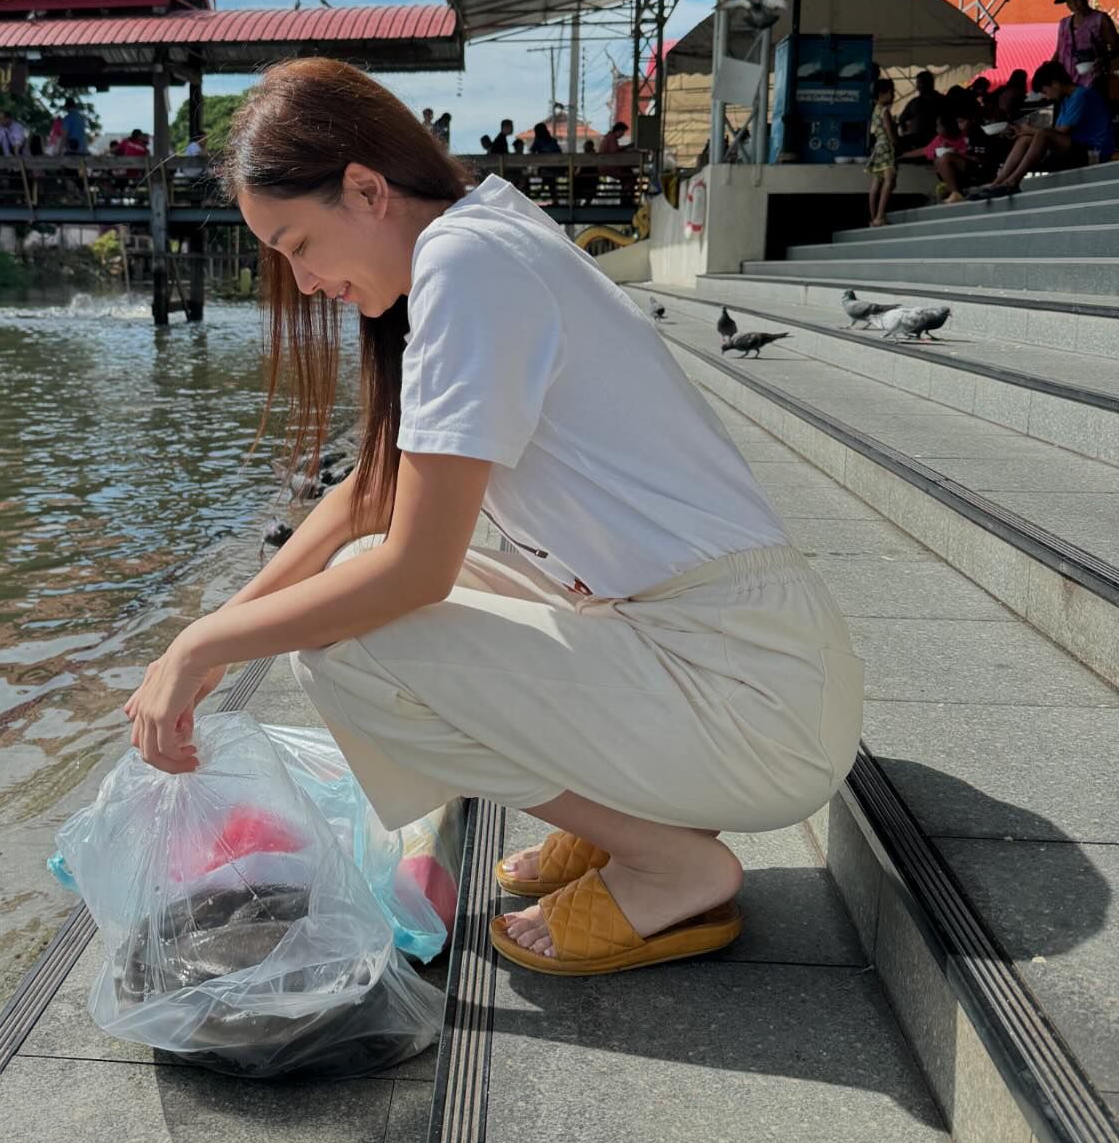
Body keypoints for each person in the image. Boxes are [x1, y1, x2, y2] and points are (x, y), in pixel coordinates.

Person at [121, 57, 863, 978]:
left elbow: (412, 570)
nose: (305, 284)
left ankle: (668, 860)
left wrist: (199, 646)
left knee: (350, 648)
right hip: (742, 652)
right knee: (355, 596)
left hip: (752, 694)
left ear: (364, 188)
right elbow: (371, 493)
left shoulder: (467, 263)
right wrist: (219, 638)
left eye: (298, 246)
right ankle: (635, 816)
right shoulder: (483, 230)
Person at [971, 59, 1115, 196]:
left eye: (1046, 91)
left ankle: (1013, 181)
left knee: (1042, 134)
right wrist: (1024, 132)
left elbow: (1061, 131)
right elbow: (1057, 132)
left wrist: (1031, 130)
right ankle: (997, 182)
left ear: (1055, 84)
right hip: (1078, 147)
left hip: (1095, 151)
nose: (1048, 96)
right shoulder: (1066, 100)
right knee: (1024, 139)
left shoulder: (1081, 95)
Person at [1052, 0, 1119, 101]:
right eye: (1069, 2)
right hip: (1068, 82)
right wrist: (1049, 70)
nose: (1074, 5)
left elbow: (1116, 46)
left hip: (1094, 80)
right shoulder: (1064, 23)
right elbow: (1059, 51)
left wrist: (1103, 60)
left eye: (1077, 0)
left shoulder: (1100, 19)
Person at [900, 111, 976, 205]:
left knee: (945, 158)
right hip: (956, 172)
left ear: (948, 127)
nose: (937, 129)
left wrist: (955, 153)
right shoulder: (940, 139)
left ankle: (955, 192)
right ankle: (952, 190)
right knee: (938, 159)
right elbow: (924, 150)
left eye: (939, 126)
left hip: (971, 168)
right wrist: (904, 155)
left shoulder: (966, 136)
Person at [866, 78, 898, 227]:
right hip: (886, 148)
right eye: (891, 92)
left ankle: (873, 218)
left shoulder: (875, 110)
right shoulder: (885, 111)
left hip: (877, 149)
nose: (894, 95)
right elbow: (890, 132)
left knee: (876, 185)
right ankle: (880, 216)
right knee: (889, 180)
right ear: (882, 94)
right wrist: (897, 144)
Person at [896, 71, 941, 153]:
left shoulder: (916, 102)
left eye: (920, 83)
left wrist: (905, 131)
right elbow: (901, 119)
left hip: (931, 140)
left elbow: (901, 119)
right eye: (918, 83)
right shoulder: (941, 99)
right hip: (927, 140)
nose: (918, 86)